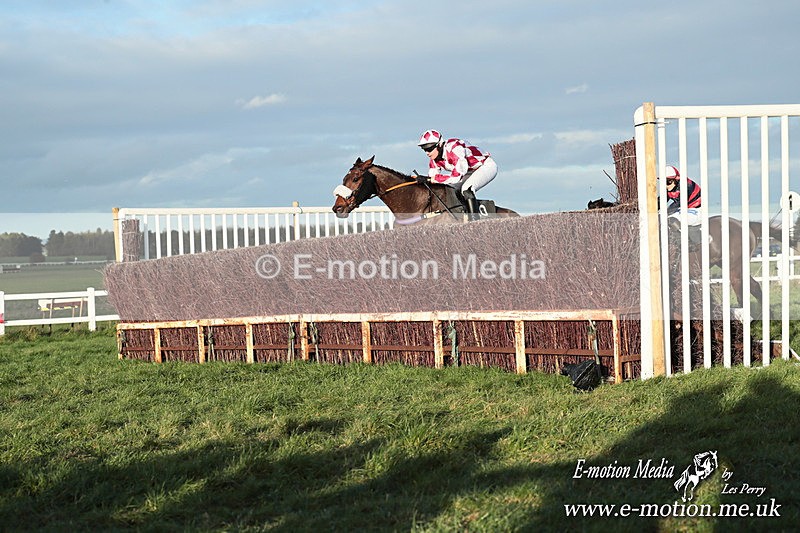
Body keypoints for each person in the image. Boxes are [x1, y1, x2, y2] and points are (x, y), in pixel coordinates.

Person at [416, 129, 497, 220]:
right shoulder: (434, 159)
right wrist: (421, 181)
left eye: (429, 149)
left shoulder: (455, 148)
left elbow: (456, 177)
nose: (427, 153)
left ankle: (475, 221)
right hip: (467, 171)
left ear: (439, 145)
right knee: (449, 190)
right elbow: (433, 181)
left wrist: (431, 179)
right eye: (424, 149)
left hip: (485, 166)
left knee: (466, 189)